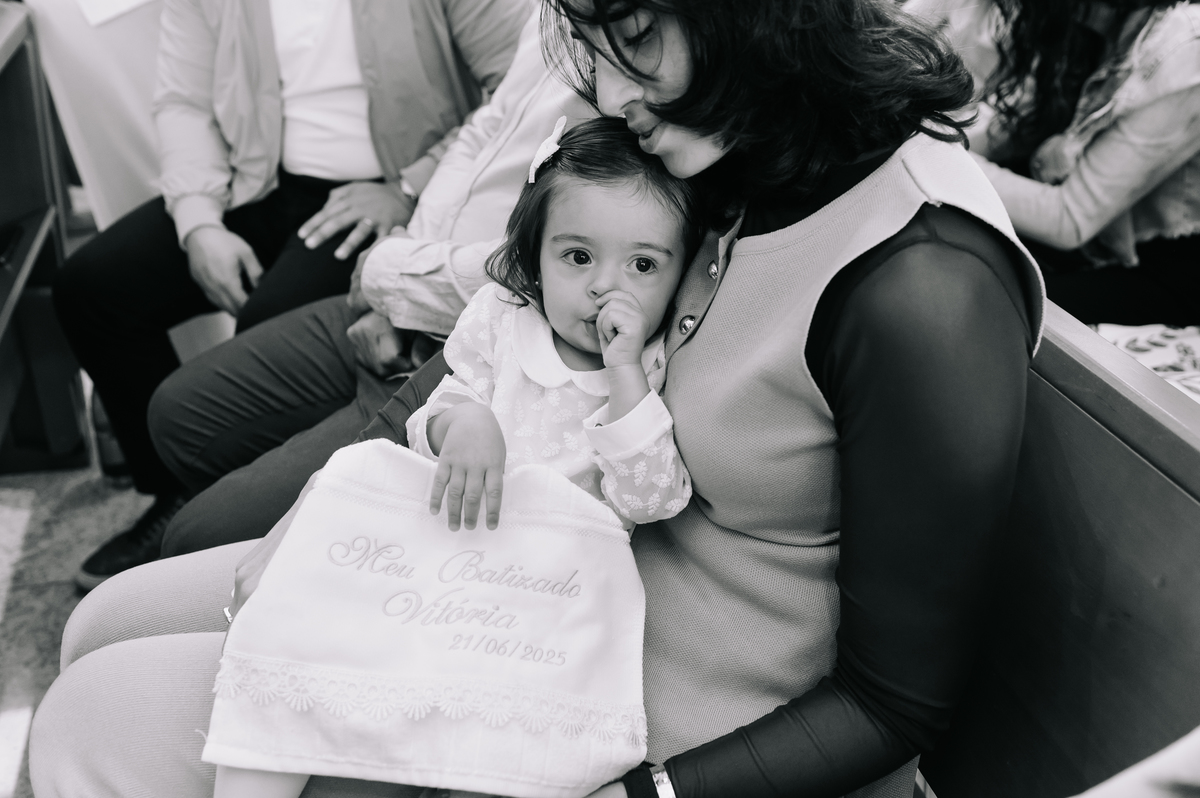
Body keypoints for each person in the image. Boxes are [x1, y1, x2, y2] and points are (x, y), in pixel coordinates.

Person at [29, 1, 1046, 797]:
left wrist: (639, 794)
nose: (611, 90)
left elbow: (894, 705)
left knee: (91, 714)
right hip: (520, 581)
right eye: (595, 44)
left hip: (641, 716)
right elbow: (503, 340)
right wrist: (330, 505)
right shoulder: (732, 139)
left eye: (635, 35)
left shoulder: (925, 284)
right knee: (105, 622)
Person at [207, 116, 699, 798]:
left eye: (642, 265)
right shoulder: (502, 317)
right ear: (535, 252)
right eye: (577, 257)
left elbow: (653, 498)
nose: (603, 288)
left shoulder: (651, 367)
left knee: (470, 734)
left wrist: (624, 374)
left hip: (542, 602)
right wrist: (460, 422)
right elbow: (431, 417)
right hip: (447, 554)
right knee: (325, 649)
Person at [55, 0, 529, 591]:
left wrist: (407, 187)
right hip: (257, 181)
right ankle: (171, 494)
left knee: (263, 321)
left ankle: (237, 522)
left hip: (383, 196)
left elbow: (514, 93)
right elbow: (184, 102)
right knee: (92, 286)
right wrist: (200, 222)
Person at [145, 8, 596, 560]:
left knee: (192, 536)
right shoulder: (553, 18)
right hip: (404, 266)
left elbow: (558, 271)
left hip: (463, 338)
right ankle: (268, 517)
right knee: (175, 413)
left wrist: (393, 272)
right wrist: (405, 254)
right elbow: (486, 126)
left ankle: (286, 533)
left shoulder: (627, 78)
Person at [961, 0, 1200, 325]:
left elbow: (1070, 220)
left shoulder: (1184, 48)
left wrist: (947, 163)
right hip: (1093, 242)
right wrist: (936, 139)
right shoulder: (1088, 28)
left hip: (1160, 265)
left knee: (989, 299)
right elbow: (1014, 129)